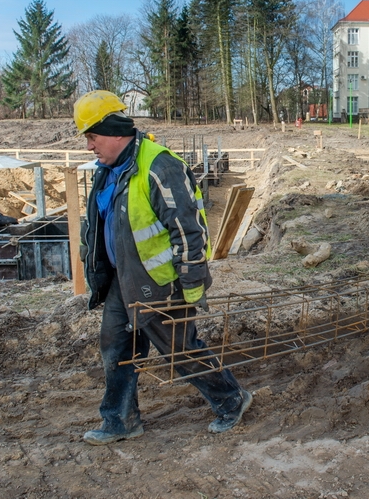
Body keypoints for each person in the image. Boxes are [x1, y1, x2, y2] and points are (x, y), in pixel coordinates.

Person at [75, 90, 251, 446]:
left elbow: (190, 230)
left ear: (112, 132)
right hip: (121, 283)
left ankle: (232, 399)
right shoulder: (108, 172)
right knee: (116, 349)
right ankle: (120, 420)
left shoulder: (159, 166)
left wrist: (191, 282)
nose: (90, 147)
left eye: (92, 137)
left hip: (160, 283)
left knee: (180, 351)